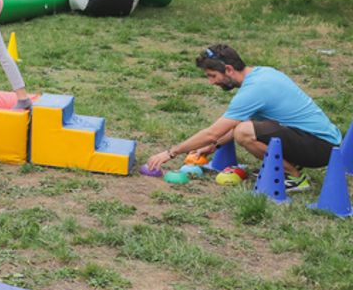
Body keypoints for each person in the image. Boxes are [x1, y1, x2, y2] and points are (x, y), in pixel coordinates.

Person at [143, 45, 342, 192]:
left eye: (212, 76)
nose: (211, 82)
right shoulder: (263, 73)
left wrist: (170, 153)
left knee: (244, 133)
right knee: (245, 127)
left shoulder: (254, 90)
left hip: (321, 147)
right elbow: (228, 129)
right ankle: (287, 166)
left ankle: (295, 177)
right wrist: (213, 146)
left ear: (229, 69)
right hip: (321, 142)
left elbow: (214, 132)